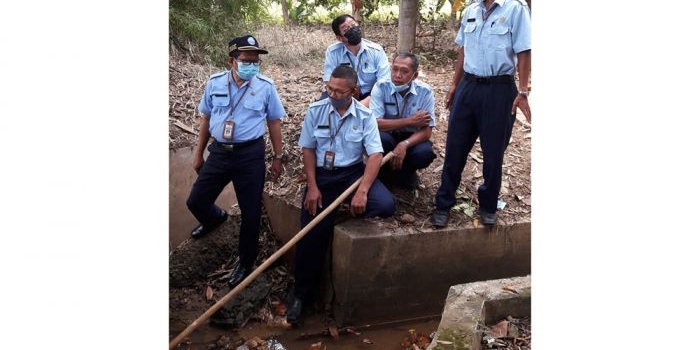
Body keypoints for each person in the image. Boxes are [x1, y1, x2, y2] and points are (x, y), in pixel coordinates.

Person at [286, 65, 396, 325]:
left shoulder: (365, 116)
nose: (332, 94)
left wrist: (362, 191)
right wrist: (312, 186)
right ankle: (302, 295)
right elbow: (309, 150)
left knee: (385, 205)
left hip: (352, 175)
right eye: (329, 89)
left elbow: (376, 155)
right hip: (324, 177)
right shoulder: (316, 111)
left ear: (354, 91)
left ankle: (342, 211)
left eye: (339, 91)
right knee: (312, 232)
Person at [186, 34, 286, 289]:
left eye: (255, 61)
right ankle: (214, 218)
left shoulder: (265, 86)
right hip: (220, 152)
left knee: (251, 214)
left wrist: (277, 156)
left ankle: (245, 262)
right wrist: (198, 153)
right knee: (196, 201)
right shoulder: (214, 83)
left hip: (250, 155)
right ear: (231, 60)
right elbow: (206, 118)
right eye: (246, 60)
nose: (251, 65)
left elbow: (274, 121)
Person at [430, 0, 531, 227]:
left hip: (500, 89)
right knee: (455, 147)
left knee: (494, 152)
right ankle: (444, 202)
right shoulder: (471, 10)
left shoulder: (516, 9)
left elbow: (524, 51)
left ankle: (488, 205)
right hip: (468, 86)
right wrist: (454, 85)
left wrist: (523, 90)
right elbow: (463, 50)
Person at [369, 53, 437, 190]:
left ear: (415, 75)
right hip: (387, 134)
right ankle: (383, 172)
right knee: (381, 140)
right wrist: (410, 121)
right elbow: (376, 123)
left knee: (424, 153)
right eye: (394, 69)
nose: (397, 75)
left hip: (410, 138)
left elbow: (427, 130)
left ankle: (406, 172)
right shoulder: (381, 87)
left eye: (404, 71)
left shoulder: (425, 92)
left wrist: (404, 144)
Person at [320, 14, 391, 107]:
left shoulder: (376, 50)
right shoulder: (333, 52)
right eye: (346, 29)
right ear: (339, 38)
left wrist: (360, 106)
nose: (352, 29)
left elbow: (384, 83)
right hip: (343, 94)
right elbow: (329, 81)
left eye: (353, 25)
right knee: (322, 108)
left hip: (371, 95)